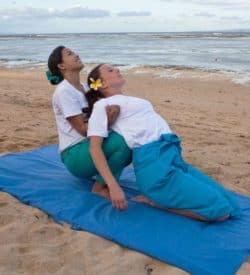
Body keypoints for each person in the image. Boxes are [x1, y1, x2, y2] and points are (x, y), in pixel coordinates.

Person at [85, 63, 241, 221]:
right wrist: (112, 186)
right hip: (154, 165)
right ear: (102, 83)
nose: (117, 69)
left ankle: (159, 197)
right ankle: (155, 203)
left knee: (231, 204)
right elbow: (94, 148)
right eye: (110, 70)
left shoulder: (127, 100)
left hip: (172, 157)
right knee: (221, 213)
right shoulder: (102, 105)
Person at [46, 47, 132, 201]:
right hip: (75, 154)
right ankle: (100, 188)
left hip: (92, 147)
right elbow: (83, 130)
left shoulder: (86, 88)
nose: (76, 54)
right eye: (69, 54)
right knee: (123, 141)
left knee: (132, 138)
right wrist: (109, 120)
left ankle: (105, 182)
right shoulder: (64, 92)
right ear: (61, 66)